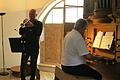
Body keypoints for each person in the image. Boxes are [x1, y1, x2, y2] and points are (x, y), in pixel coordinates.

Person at [19, 9, 43, 80]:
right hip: (25, 46)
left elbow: (38, 33)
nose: (31, 16)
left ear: (36, 15)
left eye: (32, 14)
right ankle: (22, 78)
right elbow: (20, 32)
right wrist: (23, 26)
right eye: (30, 14)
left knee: (33, 64)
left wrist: (32, 26)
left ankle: (32, 78)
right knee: (23, 64)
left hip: (34, 47)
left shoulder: (39, 24)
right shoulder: (26, 23)